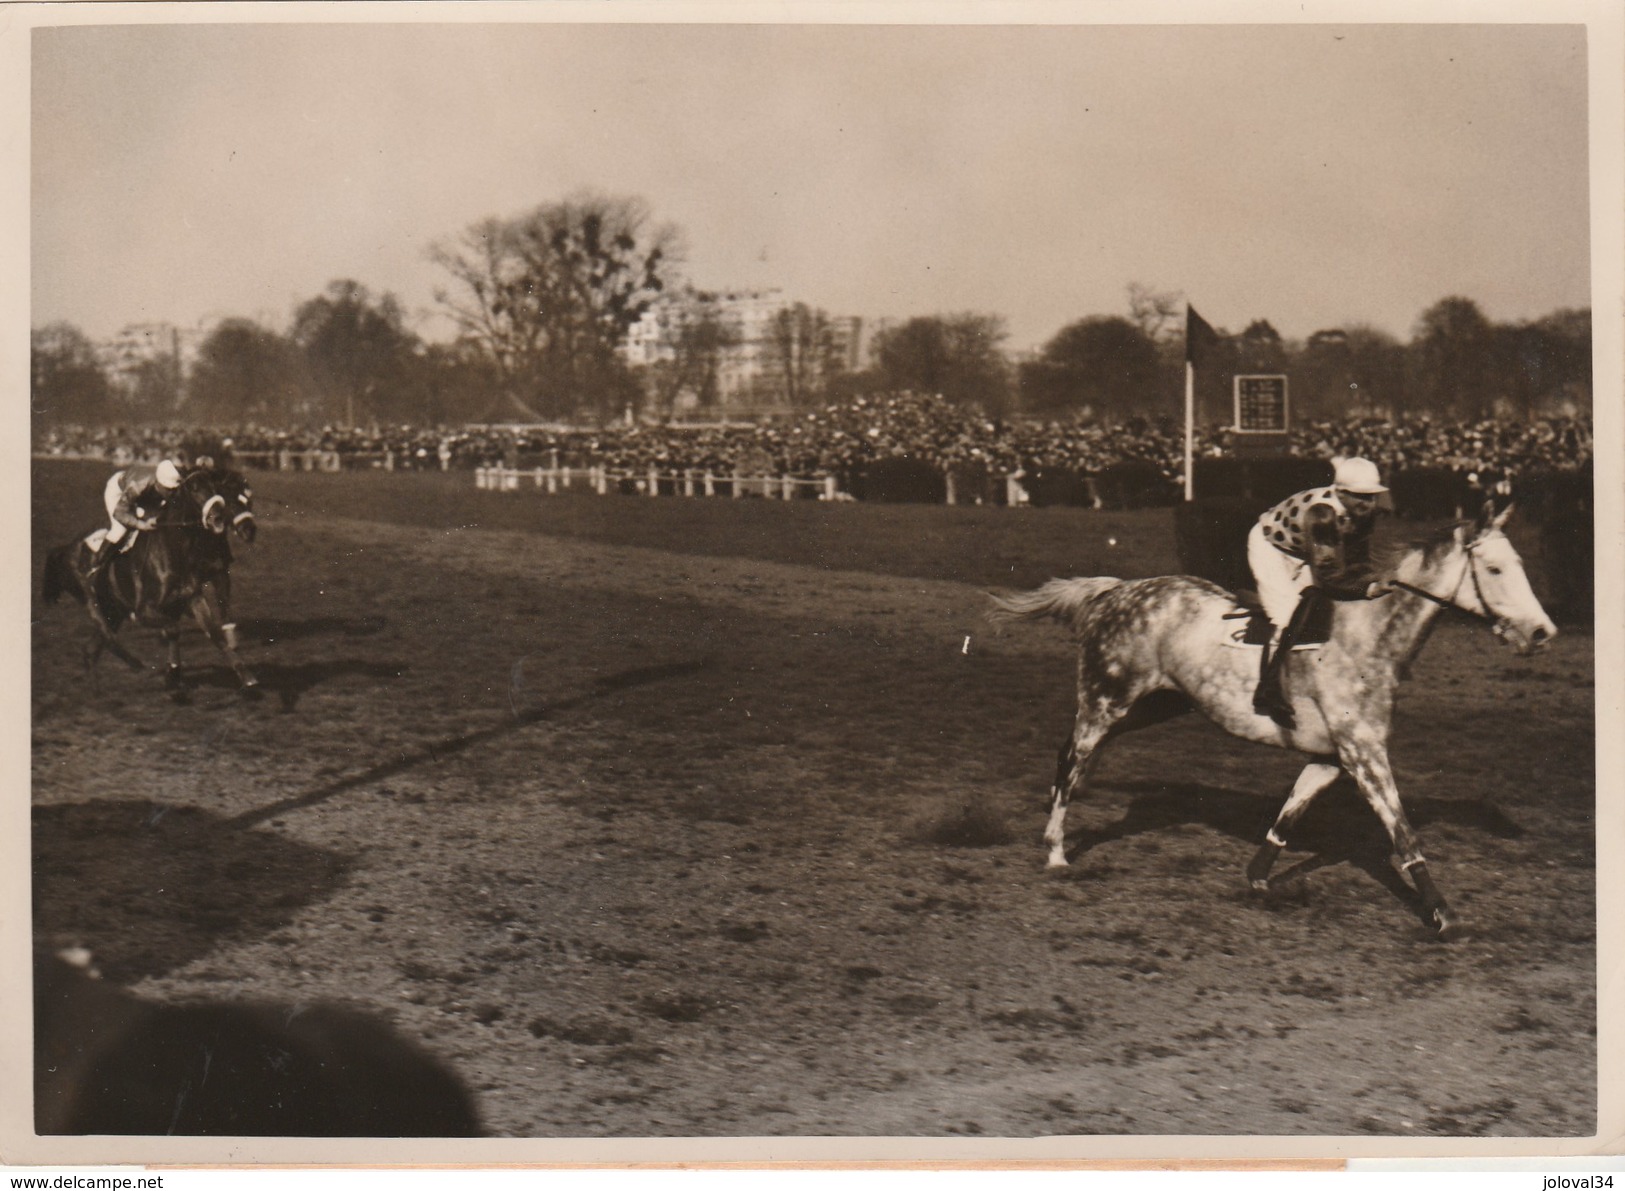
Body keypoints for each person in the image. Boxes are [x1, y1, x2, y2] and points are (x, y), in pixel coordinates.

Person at [1246, 456, 1394, 726]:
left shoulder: (1364, 512)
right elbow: (1328, 576)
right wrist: (1367, 588)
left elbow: (1357, 558)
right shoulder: (1322, 514)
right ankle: (1269, 690)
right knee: (1287, 614)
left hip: (1305, 549)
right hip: (1273, 548)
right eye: (1360, 496)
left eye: (1372, 496)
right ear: (1339, 493)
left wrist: (1369, 579)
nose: (1368, 504)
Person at [84, 459, 185, 583]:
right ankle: (95, 568)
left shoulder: (163, 483)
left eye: (174, 489)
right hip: (118, 491)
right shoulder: (137, 486)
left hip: (143, 494)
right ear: (159, 483)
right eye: (169, 489)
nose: (172, 493)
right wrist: (141, 524)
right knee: (120, 530)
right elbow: (119, 513)